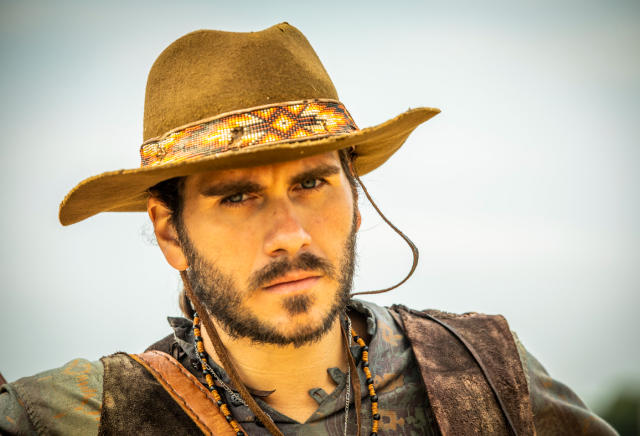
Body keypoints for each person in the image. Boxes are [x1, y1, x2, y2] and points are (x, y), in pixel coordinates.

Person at [0, 23, 617, 436]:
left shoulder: (484, 372)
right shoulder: (75, 416)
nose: (291, 234)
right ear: (169, 232)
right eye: (237, 196)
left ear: (355, 197)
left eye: (312, 183)